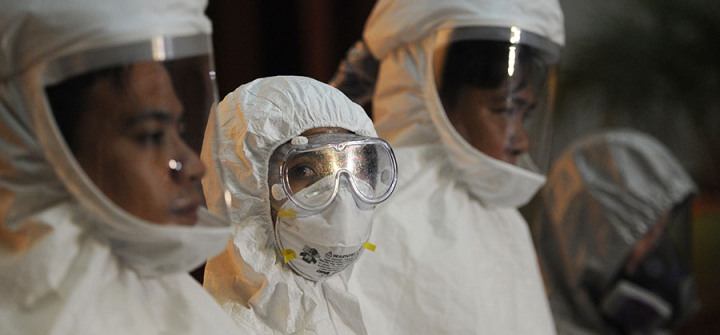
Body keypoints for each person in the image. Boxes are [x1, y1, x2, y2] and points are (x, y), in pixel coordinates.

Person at [0, 0, 240, 333]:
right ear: (44, 146)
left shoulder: (171, 297)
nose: (193, 167)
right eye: (151, 135)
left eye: (180, 131)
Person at [330, 0, 565, 333]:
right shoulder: (372, 216)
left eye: (524, 116)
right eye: (504, 110)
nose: (522, 141)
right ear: (428, 92)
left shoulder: (504, 221)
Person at [200, 75, 398, 334]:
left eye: (354, 168)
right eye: (304, 171)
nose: (343, 198)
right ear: (243, 188)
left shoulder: (361, 310)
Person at [531, 130, 700, 335]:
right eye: (644, 233)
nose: (654, 249)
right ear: (588, 237)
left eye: (661, 230)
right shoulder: (527, 325)